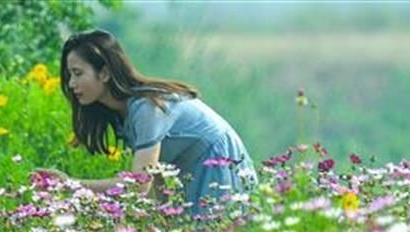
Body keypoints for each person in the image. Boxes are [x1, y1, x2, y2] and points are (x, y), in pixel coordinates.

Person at [34, 29, 258, 219]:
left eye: (77, 73)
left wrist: (70, 184)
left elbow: (138, 185)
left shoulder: (146, 108)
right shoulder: (122, 114)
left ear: (104, 73)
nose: (72, 84)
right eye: (69, 75)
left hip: (218, 163)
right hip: (189, 170)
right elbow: (155, 179)